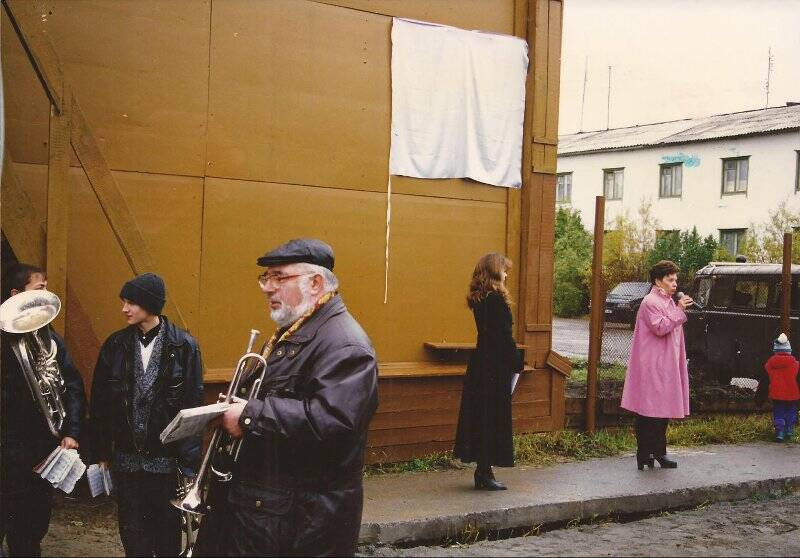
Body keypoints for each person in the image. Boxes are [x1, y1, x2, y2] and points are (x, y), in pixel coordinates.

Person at [193, 238, 378, 557]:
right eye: (266, 278)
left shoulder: (345, 345)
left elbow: (335, 421)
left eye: (279, 277)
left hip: (297, 523)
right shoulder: (299, 330)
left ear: (316, 283)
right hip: (269, 512)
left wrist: (251, 416)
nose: (267, 287)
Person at [89, 272, 204, 557]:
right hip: (127, 462)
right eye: (124, 302)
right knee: (132, 536)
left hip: (166, 463)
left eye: (132, 302)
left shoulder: (184, 346)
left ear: (150, 305)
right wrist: (102, 451)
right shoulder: (114, 345)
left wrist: (189, 467)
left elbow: (193, 408)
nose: (124, 309)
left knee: (166, 539)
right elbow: (100, 403)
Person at [0, 263, 87, 557]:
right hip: (5, 451)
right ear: (16, 294)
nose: (46, 295)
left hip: (40, 451)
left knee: (30, 531)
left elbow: (72, 386)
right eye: (39, 288)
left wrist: (71, 431)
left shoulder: (49, 339)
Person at [453, 253, 523, 490]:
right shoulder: (496, 300)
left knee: (482, 418)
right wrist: (517, 362)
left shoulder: (480, 299)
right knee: (492, 418)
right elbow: (503, 337)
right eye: (504, 270)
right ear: (494, 272)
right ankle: (484, 473)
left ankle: (483, 471)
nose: (506, 274)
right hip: (495, 366)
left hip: (481, 364)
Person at [621, 260, 692, 470]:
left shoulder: (668, 301)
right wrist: (679, 310)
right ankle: (645, 453)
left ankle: (657, 452)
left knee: (662, 410)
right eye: (670, 279)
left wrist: (676, 308)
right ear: (657, 281)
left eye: (676, 279)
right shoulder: (650, 301)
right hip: (653, 364)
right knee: (649, 411)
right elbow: (660, 327)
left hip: (666, 363)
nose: (675, 284)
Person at [755, 333, 800, 442]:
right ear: (789, 350)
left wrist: (759, 400)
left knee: (778, 411)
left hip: (777, 393)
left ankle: (779, 432)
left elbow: (764, 383)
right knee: (791, 410)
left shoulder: (769, 365)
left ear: (775, 350)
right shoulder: (797, 365)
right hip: (793, 393)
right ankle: (789, 430)